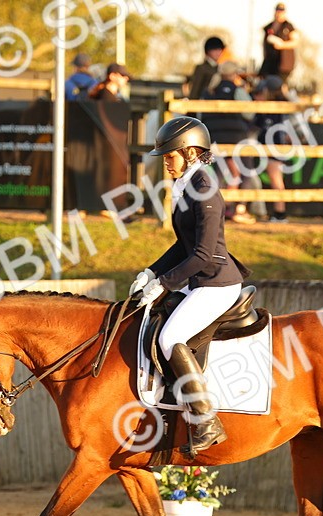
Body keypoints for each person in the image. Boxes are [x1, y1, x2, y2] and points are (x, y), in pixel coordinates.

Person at [129, 116, 251, 456]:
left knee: (170, 338)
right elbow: (183, 244)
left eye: (170, 156)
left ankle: (205, 420)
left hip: (216, 283)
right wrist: (151, 272)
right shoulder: (185, 183)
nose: (166, 162)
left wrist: (165, 283)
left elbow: (202, 254)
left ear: (190, 152)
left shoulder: (204, 188)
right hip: (199, 280)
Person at [202, 61, 255, 223]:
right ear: (234, 74)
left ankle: (213, 209)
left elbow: (201, 114)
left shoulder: (209, 91)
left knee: (219, 174)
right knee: (245, 171)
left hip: (214, 138)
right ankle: (239, 209)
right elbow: (250, 113)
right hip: (236, 137)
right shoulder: (238, 91)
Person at [250, 75, 291, 222]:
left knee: (276, 178)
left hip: (274, 145)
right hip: (271, 144)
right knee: (276, 178)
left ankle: (280, 213)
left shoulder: (277, 106)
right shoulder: (281, 104)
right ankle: (279, 212)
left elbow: (262, 124)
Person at [260, 3, 299, 85]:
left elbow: (295, 42)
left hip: (283, 64)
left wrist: (283, 45)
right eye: (278, 11)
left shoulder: (288, 27)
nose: (279, 14)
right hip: (269, 62)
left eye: (281, 11)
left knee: (279, 84)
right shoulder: (269, 27)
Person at [186, 36, 224, 101]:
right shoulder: (201, 68)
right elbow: (195, 89)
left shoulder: (221, 68)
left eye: (220, 49)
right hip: (203, 103)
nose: (218, 52)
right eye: (215, 50)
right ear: (208, 51)